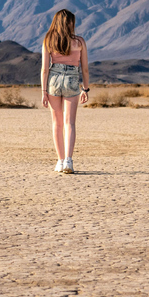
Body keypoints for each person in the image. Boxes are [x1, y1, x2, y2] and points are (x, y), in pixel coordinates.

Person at [41, 9, 90, 174]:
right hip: (72, 80)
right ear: (70, 23)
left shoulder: (48, 40)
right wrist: (85, 88)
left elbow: (44, 69)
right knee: (70, 123)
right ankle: (69, 161)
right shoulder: (79, 41)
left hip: (53, 80)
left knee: (57, 123)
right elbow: (85, 69)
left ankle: (60, 161)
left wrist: (43, 91)